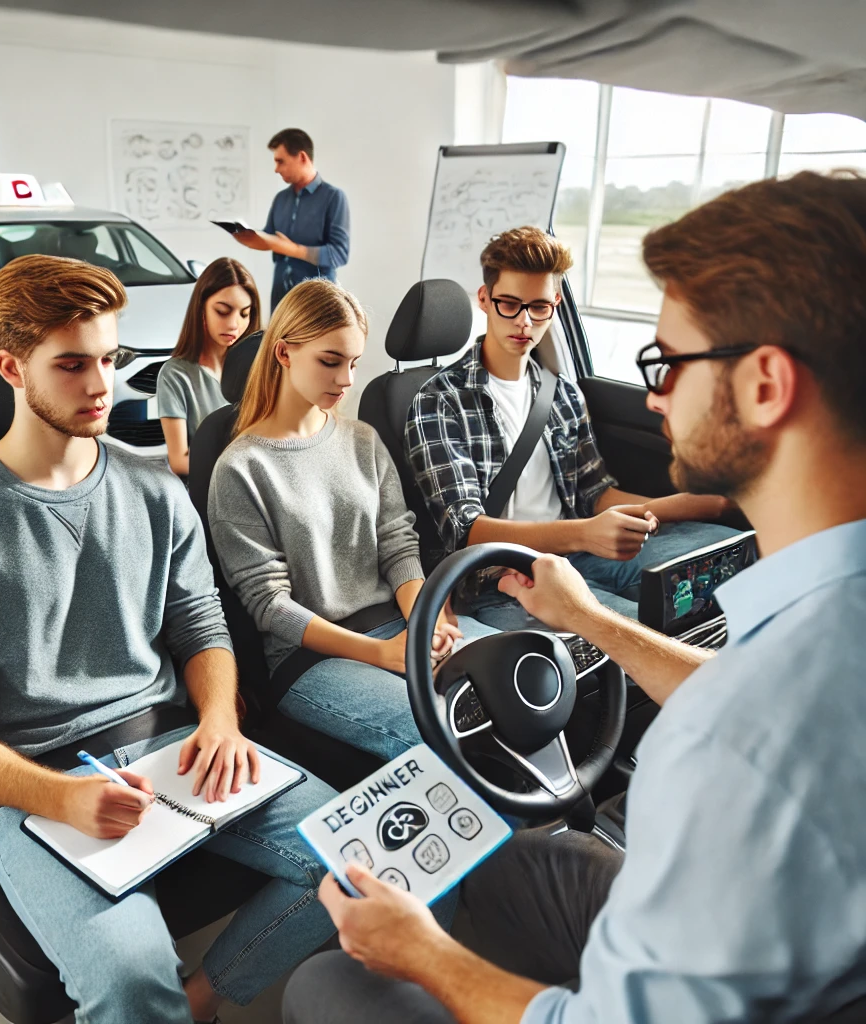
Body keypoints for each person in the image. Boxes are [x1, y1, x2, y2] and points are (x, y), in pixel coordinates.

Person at [283, 171, 866, 1024]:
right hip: (499, 583)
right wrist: (593, 618)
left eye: (667, 365)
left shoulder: (722, 752)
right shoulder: (795, 659)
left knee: (322, 985)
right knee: (513, 866)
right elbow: (452, 528)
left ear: (767, 385)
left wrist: (417, 951)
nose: (656, 395)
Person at [0, 254, 337, 1024]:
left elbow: (202, 627)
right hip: (35, 781)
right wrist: (61, 796)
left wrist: (220, 721)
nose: (101, 387)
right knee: (127, 983)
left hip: (174, 744)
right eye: (72, 365)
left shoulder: (156, 489)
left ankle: (204, 999)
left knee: (362, 854)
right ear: (10, 368)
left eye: (111, 361)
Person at [208, 279, 495, 761]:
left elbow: (399, 548)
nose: (346, 381)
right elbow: (271, 605)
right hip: (311, 658)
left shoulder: (363, 440)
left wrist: (423, 622)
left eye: (354, 363)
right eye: (330, 361)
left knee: (521, 676)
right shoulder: (240, 468)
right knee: (449, 734)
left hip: (396, 624)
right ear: (284, 354)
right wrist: (381, 653)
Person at [406, 225, 737, 627]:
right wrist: (584, 533)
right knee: (642, 635)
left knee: (722, 563)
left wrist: (694, 504)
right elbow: (468, 531)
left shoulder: (561, 393)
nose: (524, 322)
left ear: (556, 304)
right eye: (509, 304)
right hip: (498, 579)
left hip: (577, 554)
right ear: (485, 300)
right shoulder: (439, 400)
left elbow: (595, 494)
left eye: (539, 307)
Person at [158, 257, 261, 478]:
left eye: (244, 314)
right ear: (201, 308)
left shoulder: (257, 369)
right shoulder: (175, 375)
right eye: (223, 311)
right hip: (208, 490)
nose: (234, 324)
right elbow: (179, 461)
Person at [233, 128, 350, 309]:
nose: (276, 169)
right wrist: (249, 238)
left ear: (302, 157)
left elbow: (339, 254)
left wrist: (293, 249)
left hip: (316, 300)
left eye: (281, 161)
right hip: (281, 298)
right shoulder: (281, 199)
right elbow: (270, 238)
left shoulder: (333, 197)